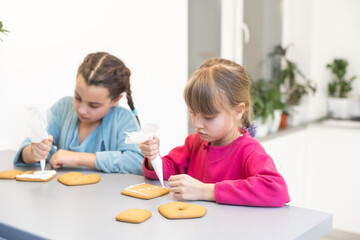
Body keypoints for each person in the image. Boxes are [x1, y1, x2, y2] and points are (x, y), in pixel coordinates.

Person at [140, 58, 290, 207]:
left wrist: (206, 191)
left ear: (238, 111)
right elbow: (167, 172)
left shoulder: (249, 151)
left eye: (208, 117)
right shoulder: (194, 143)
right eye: (193, 113)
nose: (197, 124)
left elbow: (276, 190)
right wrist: (153, 158)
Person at [14, 52, 144, 174]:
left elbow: (136, 162)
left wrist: (78, 158)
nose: (81, 110)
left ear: (115, 100)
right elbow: (30, 146)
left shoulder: (124, 120)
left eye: (94, 105)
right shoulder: (63, 108)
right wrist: (33, 153)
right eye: (78, 97)